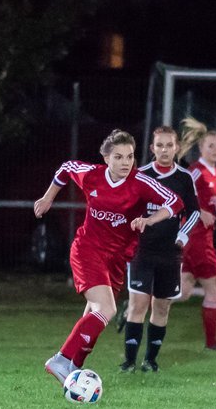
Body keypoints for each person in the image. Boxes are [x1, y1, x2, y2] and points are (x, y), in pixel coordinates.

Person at [35, 130, 183, 385]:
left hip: (115, 260)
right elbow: (66, 168)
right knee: (107, 309)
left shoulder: (140, 182)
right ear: (106, 158)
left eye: (130, 156)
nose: (126, 162)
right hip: (87, 250)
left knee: (93, 313)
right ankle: (61, 359)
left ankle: (73, 366)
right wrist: (48, 197)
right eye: (119, 157)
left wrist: (149, 219)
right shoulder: (91, 175)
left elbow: (175, 202)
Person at [119, 126, 201, 373]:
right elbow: (126, 208)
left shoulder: (184, 178)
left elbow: (194, 211)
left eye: (169, 145)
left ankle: (150, 361)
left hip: (169, 252)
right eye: (160, 145)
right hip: (141, 250)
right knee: (138, 305)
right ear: (152, 148)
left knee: (162, 306)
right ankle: (129, 362)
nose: (164, 150)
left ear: (176, 148)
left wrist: (182, 236)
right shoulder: (140, 175)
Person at [178, 116, 216, 351]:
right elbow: (180, 197)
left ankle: (139, 302)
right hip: (197, 238)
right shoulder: (196, 170)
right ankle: (212, 343)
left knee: (182, 293)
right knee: (214, 289)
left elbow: (203, 200)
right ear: (200, 148)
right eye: (211, 145)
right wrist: (200, 211)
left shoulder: (214, 172)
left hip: (199, 238)